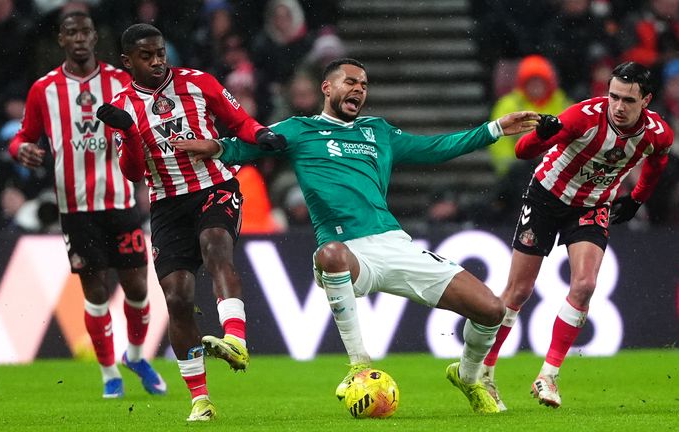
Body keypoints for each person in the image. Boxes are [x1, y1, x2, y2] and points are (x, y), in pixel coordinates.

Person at [171, 58, 541, 414]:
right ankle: (358, 365)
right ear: (326, 87)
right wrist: (217, 147)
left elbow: (434, 149)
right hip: (348, 252)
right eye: (350, 82)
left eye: (364, 85)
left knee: (492, 310)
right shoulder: (298, 130)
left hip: (394, 244)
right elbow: (245, 146)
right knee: (329, 254)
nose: (359, 90)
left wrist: (494, 129)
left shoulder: (377, 130)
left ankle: (468, 376)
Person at [94, 23, 286, 421]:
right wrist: (128, 132)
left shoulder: (199, 82)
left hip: (214, 186)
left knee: (216, 247)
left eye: (160, 52)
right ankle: (200, 399)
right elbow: (131, 172)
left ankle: (235, 338)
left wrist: (262, 133)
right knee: (178, 298)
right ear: (128, 62)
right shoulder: (122, 106)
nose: (157, 61)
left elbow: (238, 121)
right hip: (166, 205)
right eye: (146, 56)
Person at [479, 61, 674, 409]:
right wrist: (542, 134)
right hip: (546, 196)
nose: (618, 106)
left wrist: (637, 198)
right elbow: (522, 151)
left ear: (646, 100)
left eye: (628, 100)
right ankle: (485, 372)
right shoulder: (583, 116)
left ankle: (548, 377)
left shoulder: (657, 133)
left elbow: (657, 162)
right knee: (519, 290)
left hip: (591, 206)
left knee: (584, 285)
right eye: (613, 96)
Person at [7, 11, 165, 399]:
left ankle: (136, 355)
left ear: (96, 37)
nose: (79, 38)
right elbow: (23, 137)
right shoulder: (43, 89)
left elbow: (144, 124)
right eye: (71, 32)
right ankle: (109, 373)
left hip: (121, 201)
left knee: (138, 290)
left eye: (86, 32)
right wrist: (20, 150)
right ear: (61, 39)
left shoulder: (119, 81)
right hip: (76, 209)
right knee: (95, 295)